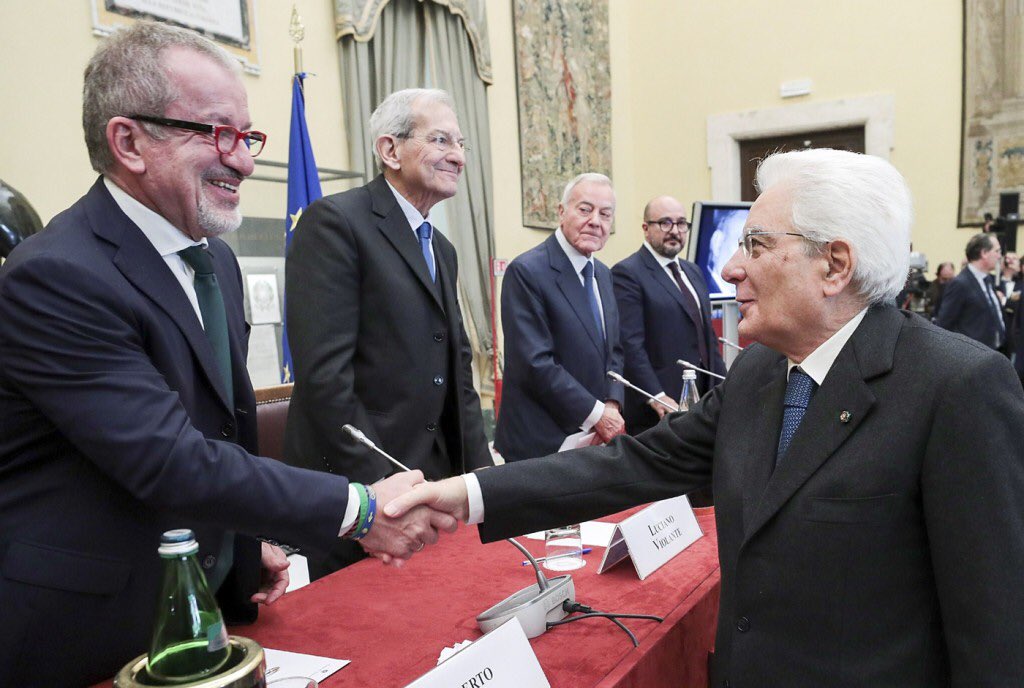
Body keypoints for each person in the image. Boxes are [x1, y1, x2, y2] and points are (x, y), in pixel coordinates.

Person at [388, 149, 1024, 686]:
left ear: (833, 265)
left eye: (755, 243)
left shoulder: (958, 388)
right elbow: (634, 464)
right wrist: (465, 493)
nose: (729, 267)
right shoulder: (758, 373)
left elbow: (994, 631)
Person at [0, 24, 452, 687]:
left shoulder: (214, 258)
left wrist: (240, 548)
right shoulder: (56, 276)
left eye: (247, 136)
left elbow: (218, 429)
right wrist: (358, 509)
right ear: (129, 141)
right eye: (217, 134)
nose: (242, 160)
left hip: (208, 610)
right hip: (87, 630)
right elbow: (167, 459)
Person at [283, 88, 491, 577]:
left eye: (461, 143)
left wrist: (479, 469)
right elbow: (325, 376)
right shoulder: (334, 223)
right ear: (389, 150)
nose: (458, 156)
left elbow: (456, 362)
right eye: (440, 140)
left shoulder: (440, 245)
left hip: (432, 484)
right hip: (361, 494)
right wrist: (385, 491)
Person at [494, 173, 625, 462]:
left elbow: (613, 349)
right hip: (541, 440)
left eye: (605, 214)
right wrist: (596, 413)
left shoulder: (603, 274)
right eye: (585, 209)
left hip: (591, 436)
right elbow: (535, 362)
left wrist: (612, 403)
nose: (595, 221)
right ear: (560, 212)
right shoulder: (527, 271)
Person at [612, 195, 725, 434]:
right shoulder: (627, 273)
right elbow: (630, 344)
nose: (675, 230)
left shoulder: (693, 271)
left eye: (681, 223)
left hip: (704, 399)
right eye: (665, 223)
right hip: (659, 408)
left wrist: (725, 386)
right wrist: (656, 394)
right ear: (645, 228)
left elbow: (707, 338)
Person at [935, 233, 1006, 350]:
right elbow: (944, 324)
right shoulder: (960, 283)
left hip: (994, 353)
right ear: (984, 253)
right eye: (997, 251)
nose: (999, 256)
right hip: (972, 356)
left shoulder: (987, 279)